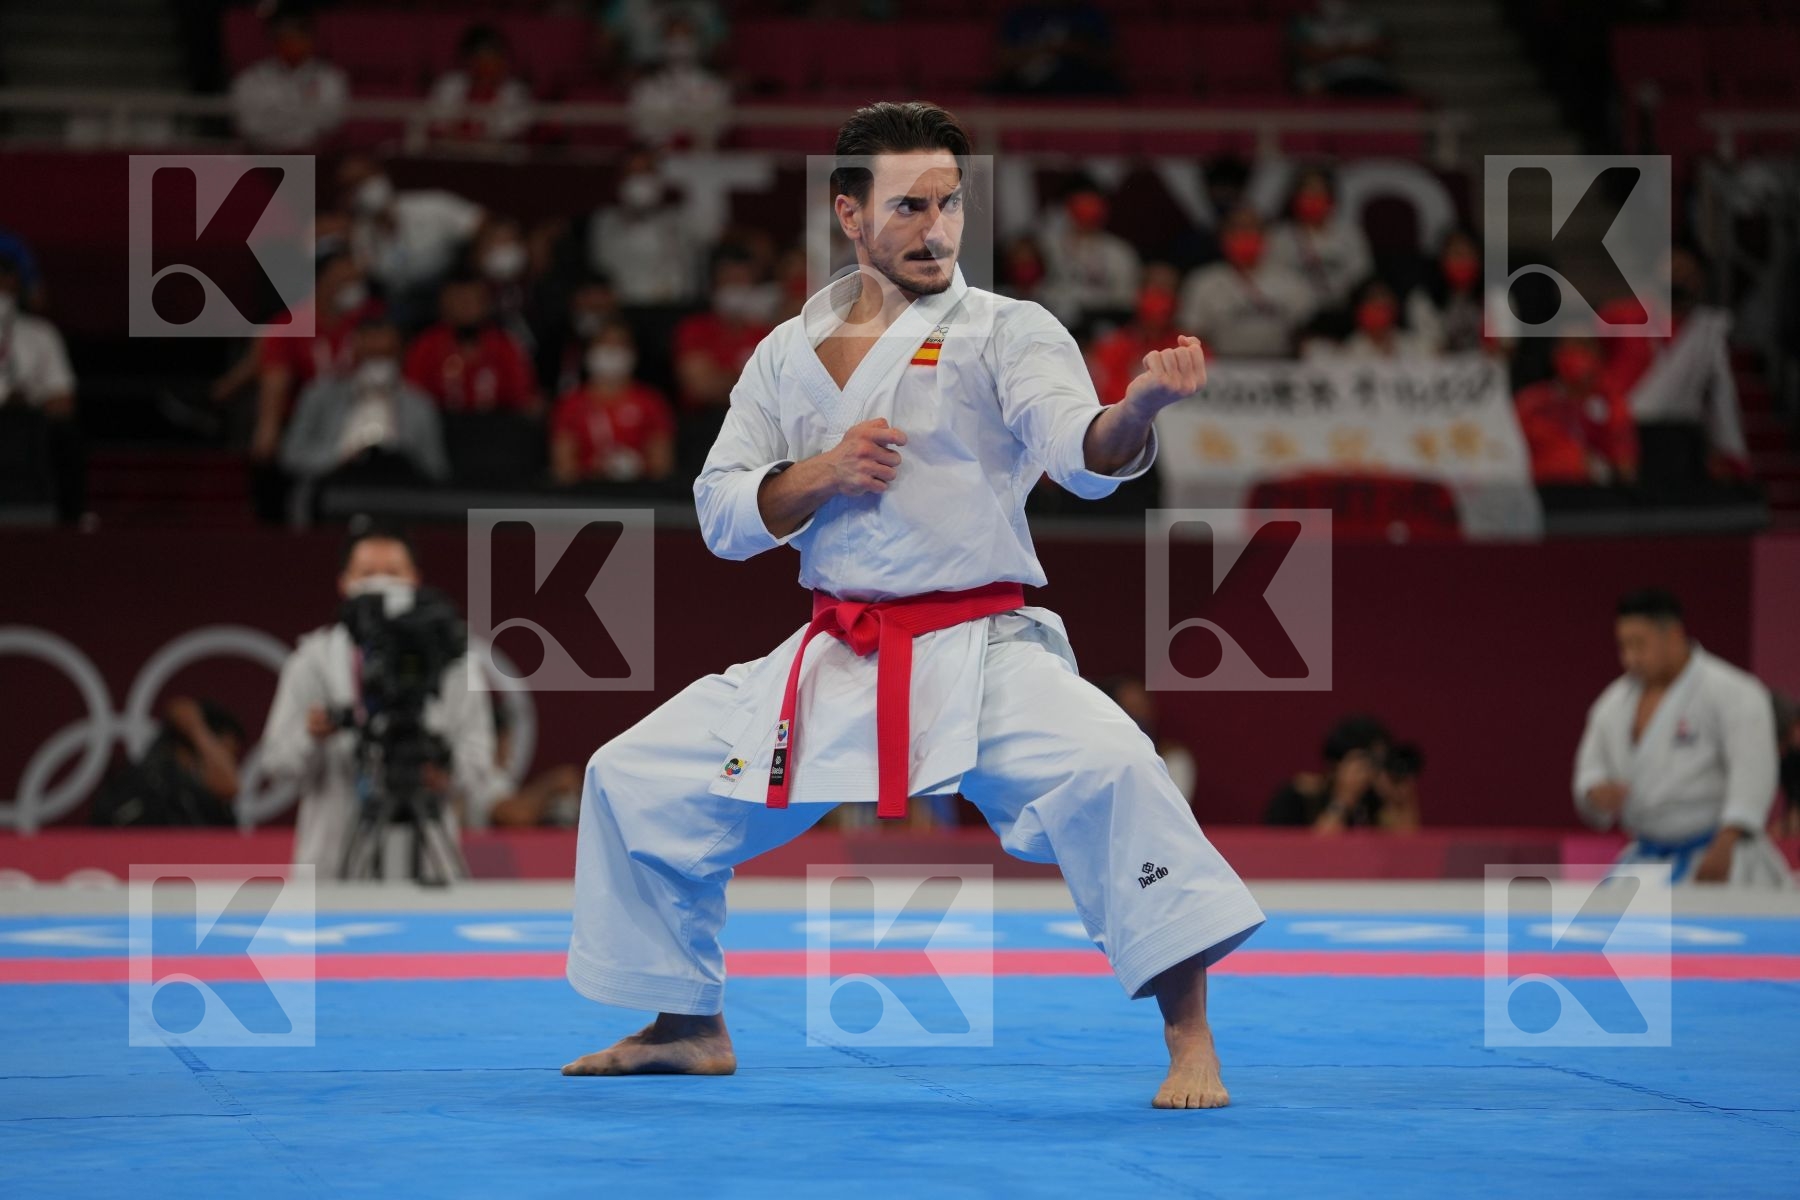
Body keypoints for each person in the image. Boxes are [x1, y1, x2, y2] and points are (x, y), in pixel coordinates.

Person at [561, 101, 1265, 1110]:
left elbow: (1082, 449)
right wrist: (821, 473)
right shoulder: (785, 351)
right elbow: (722, 511)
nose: (936, 229)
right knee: (630, 778)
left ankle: (1190, 1037)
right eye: (909, 207)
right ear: (849, 215)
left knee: (1113, 768)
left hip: (982, 648)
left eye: (949, 204)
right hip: (838, 649)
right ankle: (687, 1021)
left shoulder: (1008, 331)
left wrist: (1140, 408)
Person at [258, 522, 500, 879]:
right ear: (344, 583)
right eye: (367, 574)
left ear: (415, 580)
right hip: (334, 862)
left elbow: (480, 762)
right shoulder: (312, 661)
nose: (380, 584)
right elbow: (277, 763)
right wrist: (312, 735)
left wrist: (445, 773)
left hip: (426, 865)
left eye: (393, 572)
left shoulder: (453, 661)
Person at [1574, 588, 1790, 886]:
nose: (1630, 657)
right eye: (1623, 646)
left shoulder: (1733, 692)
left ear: (1673, 635)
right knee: (1604, 926)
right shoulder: (1613, 703)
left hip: (1721, 855)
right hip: (1648, 857)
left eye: (1639, 644)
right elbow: (1590, 772)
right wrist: (1595, 793)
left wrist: (1726, 843)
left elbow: (1753, 774)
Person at [1600, 246, 1750, 476]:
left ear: (1700, 281)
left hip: (1680, 434)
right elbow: (1593, 373)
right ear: (1658, 271)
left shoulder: (1709, 329)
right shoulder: (1619, 316)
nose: (1679, 277)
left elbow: (1722, 395)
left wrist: (1730, 451)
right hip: (1626, 429)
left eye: (1688, 273)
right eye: (1674, 269)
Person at [279, 316, 450, 498]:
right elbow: (291, 456)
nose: (377, 363)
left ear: (402, 352)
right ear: (355, 351)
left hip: (396, 496)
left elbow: (437, 470)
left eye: (385, 354)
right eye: (370, 354)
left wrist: (400, 461)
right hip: (332, 490)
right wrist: (340, 456)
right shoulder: (320, 395)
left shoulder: (420, 405)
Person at [337, 155, 485, 320]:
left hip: (446, 288)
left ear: (381, 175)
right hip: (399, 303)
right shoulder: (358, 234)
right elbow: (363, 276)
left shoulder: (432, 205)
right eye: (352, 186)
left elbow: (484, 225)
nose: (363, 188)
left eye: (365, 178)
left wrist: (473, 267)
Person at [0, 251, 82, 522]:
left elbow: (64, 399)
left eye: (8, 282)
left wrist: (28, 403)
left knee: (65, 434)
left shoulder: (42, 334)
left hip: (31, 424)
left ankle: (70, 520)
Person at [1176, 206, 1317, 359]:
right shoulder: (1203, 281)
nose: (1245, 236)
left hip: (1280, 365)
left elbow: (1307, 333)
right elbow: (1190, 334)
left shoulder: (1292, 281)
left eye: (1252, 230)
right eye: (1237, 230)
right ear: (1223, 238)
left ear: (1265, 236)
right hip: (1222, 366)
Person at [549, 321, 676, 484]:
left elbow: (662, 465)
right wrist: (595, 468)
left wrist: (635, 466)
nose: (611, 352)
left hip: (641, 495)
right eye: (604, 344)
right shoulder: (571, 404)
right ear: (590, 352)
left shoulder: (651, 402)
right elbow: (563, 467)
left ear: (633, 353)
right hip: (584, 496)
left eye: (619, 345)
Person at [90, 697, 243, 827]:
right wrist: (197, 728)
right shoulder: (148, 790)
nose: (228, 767)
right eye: (222, 756)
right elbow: (229, 786)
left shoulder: (206, 806)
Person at [405, 275, 541, 414]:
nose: (466, 308)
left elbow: (523, 398)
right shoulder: (427, 346)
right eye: (459, 301)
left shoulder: (504, 346)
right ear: (445, 305)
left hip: (496, 426)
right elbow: (414, 399)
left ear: (485, 305)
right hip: (442, 426)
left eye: (472, 301)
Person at [1514, 334, 1637, 486]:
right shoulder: (1530, 402)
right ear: (1556, 352)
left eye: (1582, 345)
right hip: (1540, 490)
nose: (1576, 354)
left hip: (1589, 495)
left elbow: (1625, 468)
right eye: (1569, 346)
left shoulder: (1611, 403)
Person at [1264, 715, 1422, 833]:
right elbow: (1312, 853)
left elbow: (1406, 853)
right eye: (1365, 762)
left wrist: (1399, 801)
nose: (1372, 771)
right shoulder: (1298, 797)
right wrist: (1344, 799)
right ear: (1336, 765)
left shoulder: (1376, 800)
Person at [585, 148, 701, 306]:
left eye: (646, 171)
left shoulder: (680, 218)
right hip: (624, 310)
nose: (639, 179)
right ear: (620, 180)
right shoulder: (604, 221)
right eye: (632, 172)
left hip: (672, 308)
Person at [229, 10, 349, 150]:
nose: (292, 41)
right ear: (273, 39)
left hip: (316, 156)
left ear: (311, 38)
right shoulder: (250, 79)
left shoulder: (330, 78)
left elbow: (331, 122)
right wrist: (300, 119)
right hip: (263, 155)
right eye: (285, 36)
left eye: (298, 35)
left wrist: (276, 117)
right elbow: (247, 124)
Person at [1265, 165, 1373, 315]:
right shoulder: (1279, 237)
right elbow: (1272, 280)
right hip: (1295, 314)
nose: (1313, 199)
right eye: (1307, 194)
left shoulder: (1349, 233)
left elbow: (1361, 277)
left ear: (1331, 199)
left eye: (1319, 194)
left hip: (1342, 313)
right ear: (1295, 199)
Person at [1038, 185, 1142, 326]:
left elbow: (1125, 300)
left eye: (1092, 205)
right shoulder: (1047, 246)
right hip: (1050, 319)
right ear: (1067, 208)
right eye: (1080, 205)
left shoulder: (1119, 251)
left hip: (1100, 323)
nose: (1086, 212)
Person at [628, 12, 733, 149]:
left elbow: (721, 124)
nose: (679, 43)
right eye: (673, 37)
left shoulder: (716, 86)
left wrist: (694, 137)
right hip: (658, 155)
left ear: (697, 41)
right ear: (662, 43)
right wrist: (666, 139)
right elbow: (639, 125)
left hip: (702, 157)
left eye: (685, 36)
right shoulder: (645, 87)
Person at [428, 24, 537, 145]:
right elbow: (437, 125)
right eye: (480, 59)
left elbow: (513, 131)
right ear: (468, 60)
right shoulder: (449, 85)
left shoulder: (516, 92)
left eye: (494, 58)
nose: (488, 67)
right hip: (451, 153)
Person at [1289, 0, 1401, 97]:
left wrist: (1337, 50)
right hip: (1330, 79)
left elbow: (1382, 49)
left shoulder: (1371, 22)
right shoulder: (1305, 24)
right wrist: (1356, 49)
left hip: (1371, 78)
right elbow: (1309, 54)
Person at [1305, 278, 1431, 361]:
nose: (1379, 307)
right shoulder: (1349, 351)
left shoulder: (1415, 345)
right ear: (1359, 310)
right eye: (1373, 302)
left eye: (1384, 304)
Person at [1406, 227, 1487, 355]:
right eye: (1456, 254)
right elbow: (1428, 347)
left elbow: (1506, 346)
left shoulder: (1496, 297)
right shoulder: (1424, 297)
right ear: (1441, 259)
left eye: (1468, 254)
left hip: (1487, 369)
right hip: (1438, 370)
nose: (1462, 261)